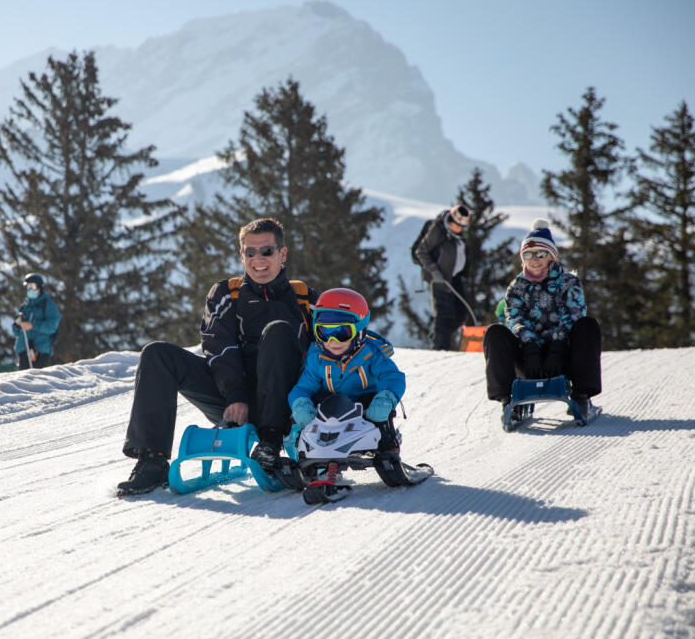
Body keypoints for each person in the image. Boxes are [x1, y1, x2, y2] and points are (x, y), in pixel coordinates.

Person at [117, 217, 318, 496]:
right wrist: (236, 394)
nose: (258, 259)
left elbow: (333, 354)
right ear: (241, 255)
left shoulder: (305, 299)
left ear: (282, 254)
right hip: (233, 400)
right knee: (157, 354)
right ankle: (152, 460)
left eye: (267, 251)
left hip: (286, 406)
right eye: (250, 252)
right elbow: (217, 344)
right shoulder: (227, 293)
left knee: (278, 332)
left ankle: (270, 443)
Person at [483, 219, 602, 418]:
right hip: (529, 359)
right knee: (494, 332)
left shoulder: (568, 283)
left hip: (562, 355)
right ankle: (507, 399)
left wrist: (557, 347)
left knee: (587, 325)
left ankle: (581, 395)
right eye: (528, 255)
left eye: (540, 254)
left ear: (551, 256)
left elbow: (573, 316)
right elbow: (514, 318)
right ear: (523, 259)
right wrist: (530, 348)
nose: (534, 259)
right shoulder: (516, 287)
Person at [287, 288, 406, 469]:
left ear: (359, 331)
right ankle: (306, 454)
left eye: (342, 333)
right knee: (311, 414)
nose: (333, 340)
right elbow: (303, 388)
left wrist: (386, 399)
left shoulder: (372, 354)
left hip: (368, 408)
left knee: (380, 414)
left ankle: (388, 451)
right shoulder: (317, 358)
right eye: (324, 333)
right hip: (334, 408)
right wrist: (300, 404)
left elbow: (393, 378)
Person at [412, 204, 472, 350]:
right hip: (439, 278)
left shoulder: (457, 236)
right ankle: (440, 347)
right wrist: (434, 271)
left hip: (454, 277)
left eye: (459, 226)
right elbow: (421, 251)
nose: (456, 228)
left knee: (461, 312)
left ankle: (439, 335)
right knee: (444, 314)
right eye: (454, 224)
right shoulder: (438, 230)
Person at [12, 272, 61, 369]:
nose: (30, 290)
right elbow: (16, 332)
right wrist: (17, 325)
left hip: (40, 352)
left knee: (37, 381)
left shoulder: (48, 305)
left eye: (32, 286)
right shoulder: (24, 306)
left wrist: (32, 325)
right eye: (28, 287)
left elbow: (52, 326)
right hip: (23, 349)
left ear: (40, 288)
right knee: (22, 381)